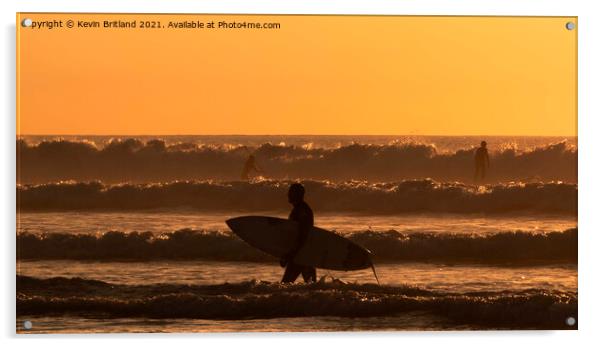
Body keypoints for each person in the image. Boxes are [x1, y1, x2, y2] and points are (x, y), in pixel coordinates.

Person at [280, 183, 317, 283]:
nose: (288, 195)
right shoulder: (299, 209)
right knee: (312, 287)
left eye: (290, 192)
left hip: (301, 255)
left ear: (297, 194)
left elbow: (302, 235)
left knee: (285, 285)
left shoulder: (302, 210)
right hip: (305, 253)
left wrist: (290, 254)